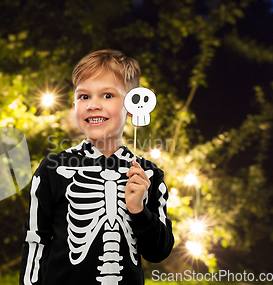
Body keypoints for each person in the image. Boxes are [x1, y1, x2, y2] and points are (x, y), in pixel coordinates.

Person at [19, 49, 174, 285]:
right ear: (74, 106)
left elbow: (158, 251)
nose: (93, 105)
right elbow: (35, 241)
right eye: (84, 97)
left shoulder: (148, 175)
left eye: (107, 96)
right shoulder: (53, 169)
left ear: (134, 105)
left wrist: (139, 211)